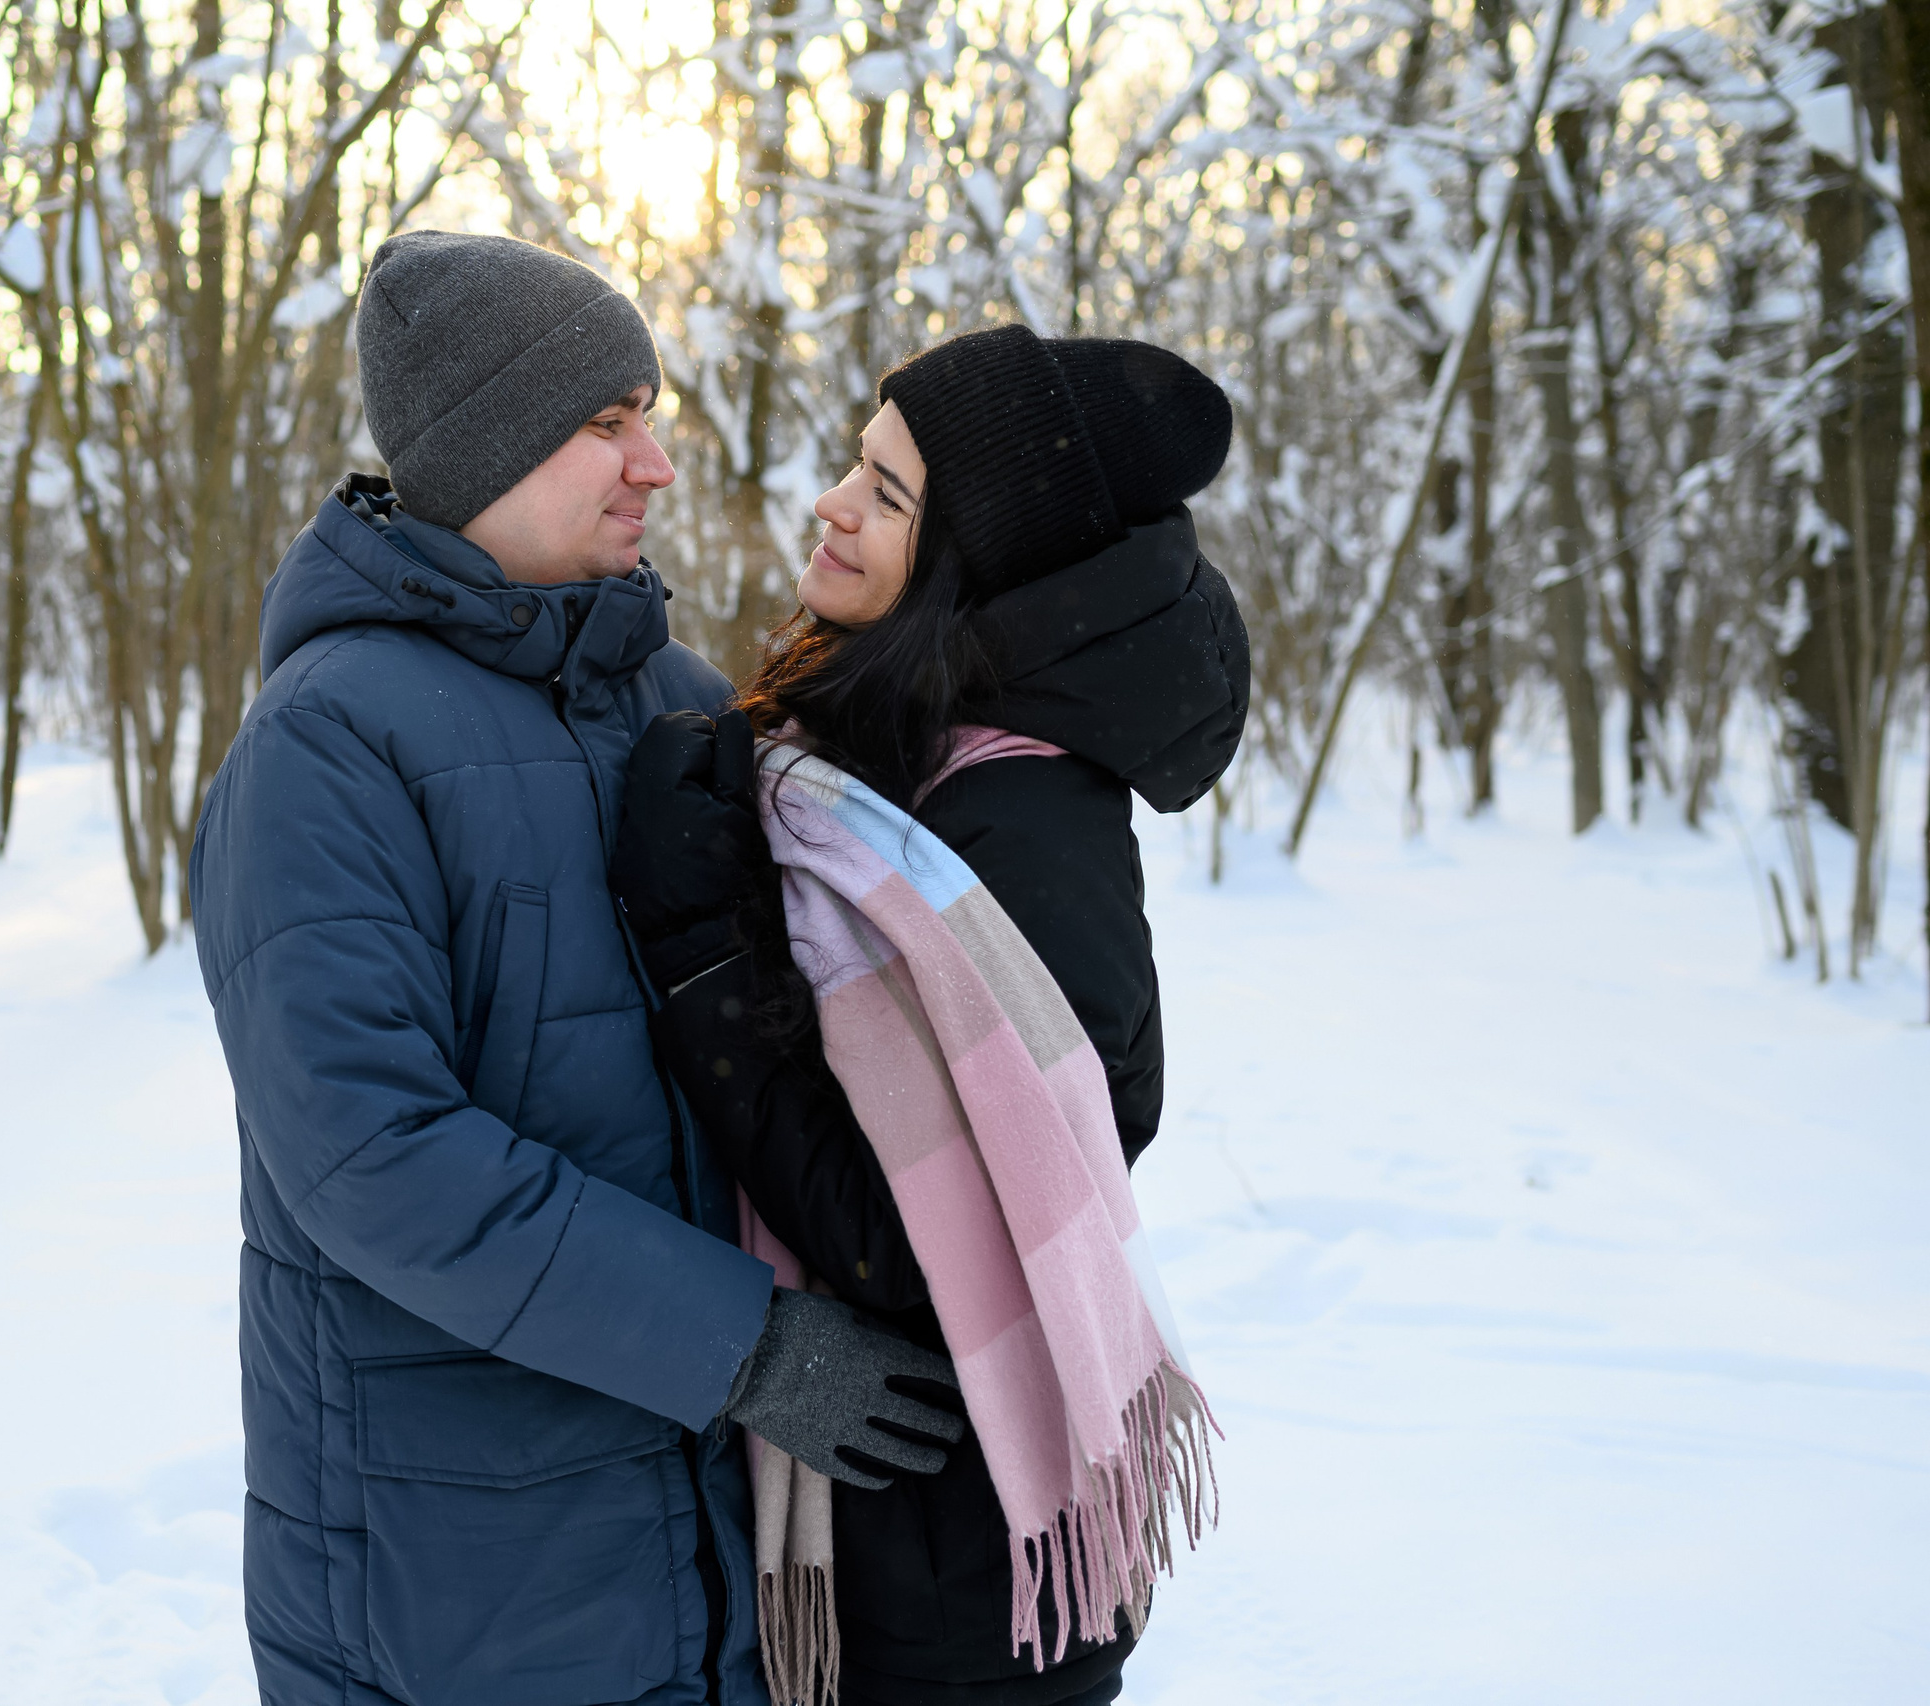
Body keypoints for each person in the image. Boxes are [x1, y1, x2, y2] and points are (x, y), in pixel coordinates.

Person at [188, 230, 965, 1706]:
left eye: (650, 416)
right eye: (606, 424)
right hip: (460, 1563)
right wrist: (747, 1346)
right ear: (486, 448)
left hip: (696, 1532)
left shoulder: (668, 700)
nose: (656, 464)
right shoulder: (325, 747)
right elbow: (375, 1157)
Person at [609, 323, 1247, 1706]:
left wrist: (702, 957)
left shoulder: (1020, 822)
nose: (834, 502)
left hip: (970, 1587)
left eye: (888, 495)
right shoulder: (888, 756)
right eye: (856, 463)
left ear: (969, 561)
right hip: (907, 1539)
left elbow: (907, 1238)